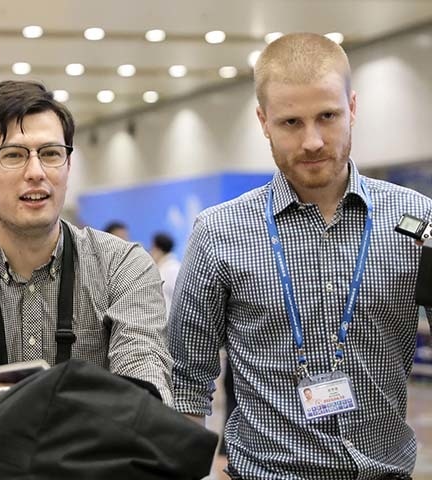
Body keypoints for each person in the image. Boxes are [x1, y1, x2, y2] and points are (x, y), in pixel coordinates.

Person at [168, 32, 432, 479]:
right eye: (291, 122)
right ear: (263, 120)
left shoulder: (417, 220)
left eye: (327, 116)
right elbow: (186, 383)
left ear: (353, 107)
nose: (312, 141)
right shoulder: (219, 233)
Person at [0, 80, 173, 451]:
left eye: (50, 153)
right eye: (13, 154)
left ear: (68, 164)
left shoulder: (122, 266)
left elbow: (145, 390)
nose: (36, 172)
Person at [149, 232, 181, 307]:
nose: (150, 252)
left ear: (158, 249)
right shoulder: (162, 267)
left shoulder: (172, 269)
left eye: (152, 248)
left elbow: (179, 298)